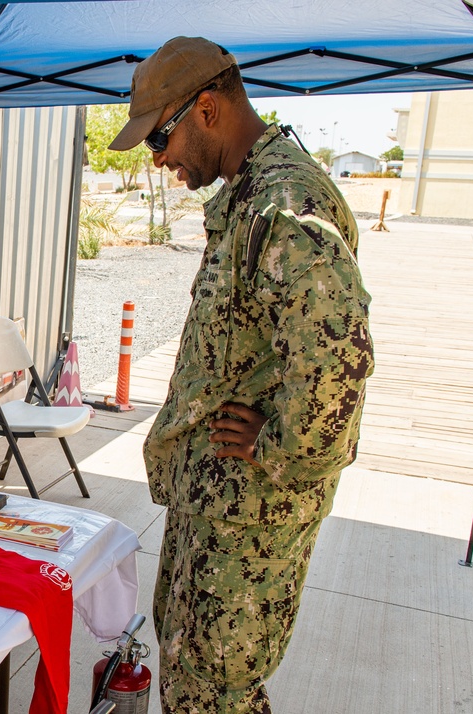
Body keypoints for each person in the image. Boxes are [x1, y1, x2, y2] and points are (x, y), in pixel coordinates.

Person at [109, 37, 374, 712]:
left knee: (214, 691)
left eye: (160, 138)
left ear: (207, 108)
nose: (159, 158)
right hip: (218, 504)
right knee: (196, 679)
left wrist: (274, 444)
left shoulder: (282, 207)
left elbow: (336, 373)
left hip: (247, 521)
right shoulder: (249, 198)